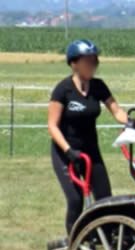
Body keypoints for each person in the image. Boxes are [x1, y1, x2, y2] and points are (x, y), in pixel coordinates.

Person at [47, 39, 129, 239]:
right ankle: (75, 249)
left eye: (95, 60)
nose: (93, 64)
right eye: (88, 61)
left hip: (91, 152)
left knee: (104, 199)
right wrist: (68, 151)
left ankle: (104, 241)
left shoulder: (99, 86)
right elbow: (52, 125)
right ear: (74, 63)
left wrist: (134, 123)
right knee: (75, 201)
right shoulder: (63, 89)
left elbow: (117, 111)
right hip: (66, 153)